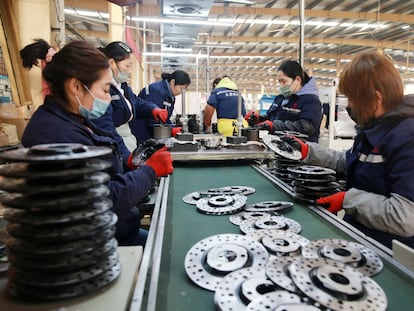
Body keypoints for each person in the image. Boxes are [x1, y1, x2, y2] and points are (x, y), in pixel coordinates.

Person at [20, 40, 174, 247]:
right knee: (167, 250)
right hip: (94, 246)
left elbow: (102, 160)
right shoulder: (52, 135)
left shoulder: (77, 121)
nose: (108, 99)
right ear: (75, 86)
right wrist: (150, 171)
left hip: (113, 229)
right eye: (104, 90)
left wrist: (130, 163)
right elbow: (101, 198)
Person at [284, 50, 414, 249]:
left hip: (389, 255)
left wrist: (348, 200)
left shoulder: (407, 136)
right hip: (361, 238)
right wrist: (307, 151)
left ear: (376, 99)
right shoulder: (376, 128)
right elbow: (348, 162)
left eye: (352, 99)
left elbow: (405, 217)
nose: (350, 106)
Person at [92, 41, 168, 167]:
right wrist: (126, 158)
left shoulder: (122, 86)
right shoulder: (102, 90)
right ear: (112, 63)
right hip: (115, 147)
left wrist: (153, 109)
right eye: (127, 66)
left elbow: (136, 102)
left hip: (128, 143)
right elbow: (107, 129)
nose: (130, 70)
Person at [246, 60, 322, 142]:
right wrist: (258, 118)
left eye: (284, 81)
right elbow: (271, 117)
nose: (281, 85)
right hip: (280, 145)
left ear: (297, 80)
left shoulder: (311, 101)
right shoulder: (281, 98)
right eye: (279, 81)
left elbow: (306, 127)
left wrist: (274, 126)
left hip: (301, 149)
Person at [128, 70, 191, 144]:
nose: (180, 92)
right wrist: (170, 130)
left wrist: (172, 127)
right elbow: (152, 118)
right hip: (142, 132)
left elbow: (164, 117)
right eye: (180, 89)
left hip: (152, 133)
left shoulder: (170, 96)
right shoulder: (156, 91)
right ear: (172, 82)